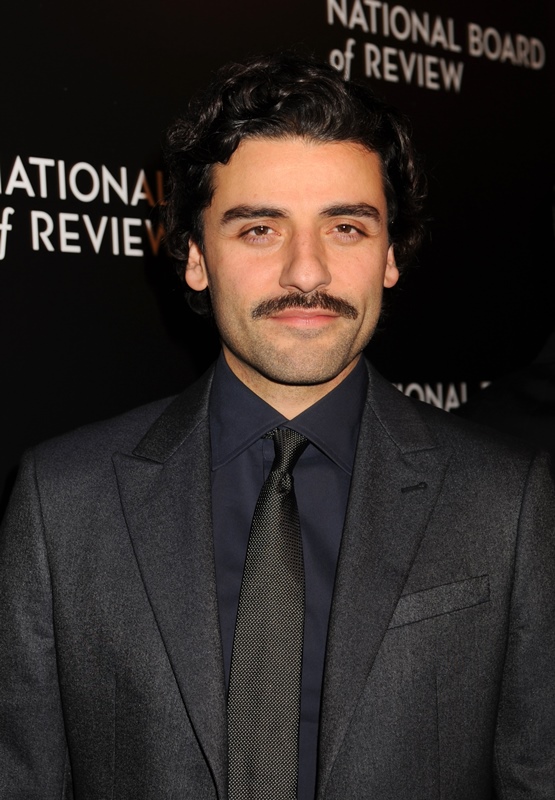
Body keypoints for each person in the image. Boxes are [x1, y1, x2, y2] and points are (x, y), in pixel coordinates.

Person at [1, 52, 554, 800]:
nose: (306, 273)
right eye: (260, 229)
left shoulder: (504, 502)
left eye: (346, 228)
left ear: (390, 257)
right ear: (196, 258)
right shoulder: (62, 504)